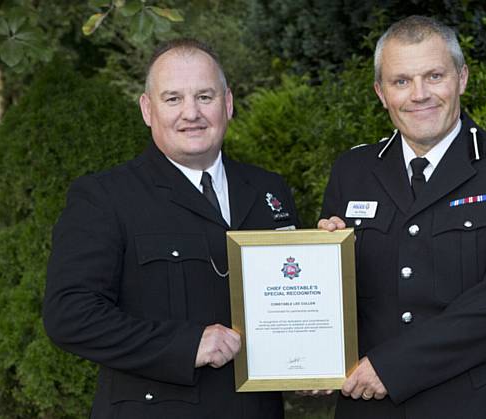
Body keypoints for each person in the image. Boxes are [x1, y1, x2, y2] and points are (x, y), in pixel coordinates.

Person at [43, 39, 298, 418]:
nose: (191, 113)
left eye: (205, 96)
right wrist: (184, 345)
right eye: (173, 99)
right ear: (148, 109)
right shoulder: (105, 197)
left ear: (227, 103)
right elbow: (70, 315)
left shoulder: (268, 190)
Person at [318, 15, 486, 419]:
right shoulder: (352, 171)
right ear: (380, 92)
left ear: (462, 78)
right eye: (401, 81)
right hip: (371, 408)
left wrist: (392, 367)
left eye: (434, 76)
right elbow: (334, 303)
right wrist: (322, 264)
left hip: (477, 402)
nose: (419, 94)